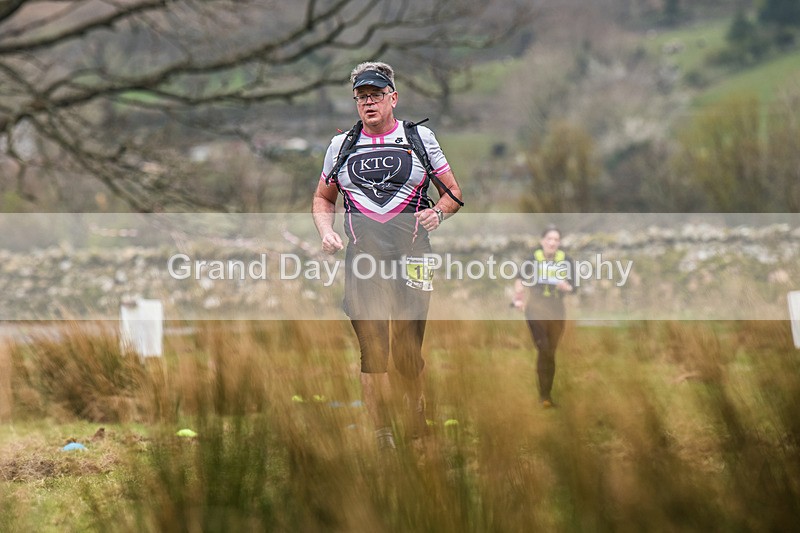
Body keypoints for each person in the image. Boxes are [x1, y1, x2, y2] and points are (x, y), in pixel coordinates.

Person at [312, 61, 463, 450]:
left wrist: (438, 212)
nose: (368, 103)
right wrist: (326, 231)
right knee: (372, 351)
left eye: (376, 95)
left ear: (393, 98)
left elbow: (453, 193)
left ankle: (415, 425)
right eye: (361, 97)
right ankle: (381, 434)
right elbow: (322, 198)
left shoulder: (419, 138)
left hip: (414, 255)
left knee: (408, 350)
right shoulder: (340, 146)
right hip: (364, 260)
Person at [513, 225, 576, 408]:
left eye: (556, 240)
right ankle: (544, 397)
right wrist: (518, 298)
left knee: (551, 353)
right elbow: (519, 280)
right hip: (536, 308)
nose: (552, 243)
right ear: (542, 241)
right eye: (549, 239)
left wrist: (567, 287)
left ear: (559, 243)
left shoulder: (567, 261)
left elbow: (574, 286)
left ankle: (547, 396)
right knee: (544, 348)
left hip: (556, 310)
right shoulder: (533, 259)